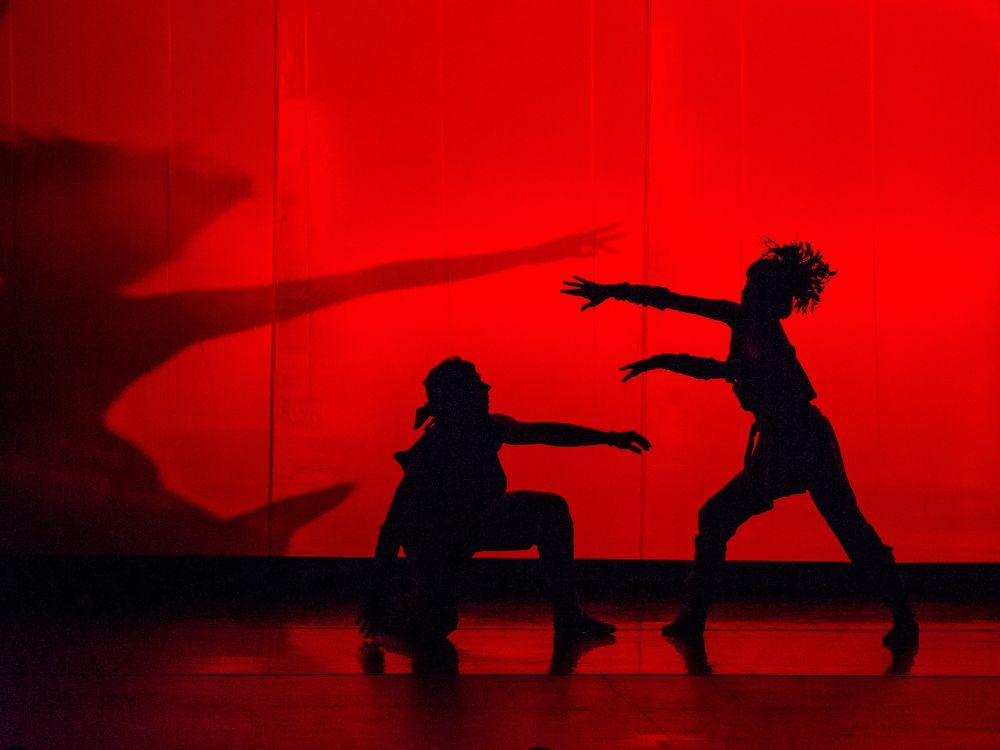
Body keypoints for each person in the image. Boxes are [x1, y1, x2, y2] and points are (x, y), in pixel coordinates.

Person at [561, 239, 918, 649]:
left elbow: (695, 333)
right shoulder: (748, 324)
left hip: (798, 439)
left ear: (764, 294)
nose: (744, 291)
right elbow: (679, 312)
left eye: (751, 286)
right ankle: (903, 618)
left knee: (740, 518)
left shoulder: (758, 330)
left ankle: (694, 619)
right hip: (794, 438)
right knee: (833, 525)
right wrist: (623, 303)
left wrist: (651, 342)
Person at [358, 357, 650, 642]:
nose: (487, 389)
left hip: (473, 522)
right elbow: (393, 526)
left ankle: (567, 614)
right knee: (435, 622)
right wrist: (374, 597)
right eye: (477, 385)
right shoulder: (431, 450)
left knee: (550, 509)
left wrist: (608, 438)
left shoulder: (488, 429)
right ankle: (393, 608)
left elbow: (545, 432)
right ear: (458, 397)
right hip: (438, 541)